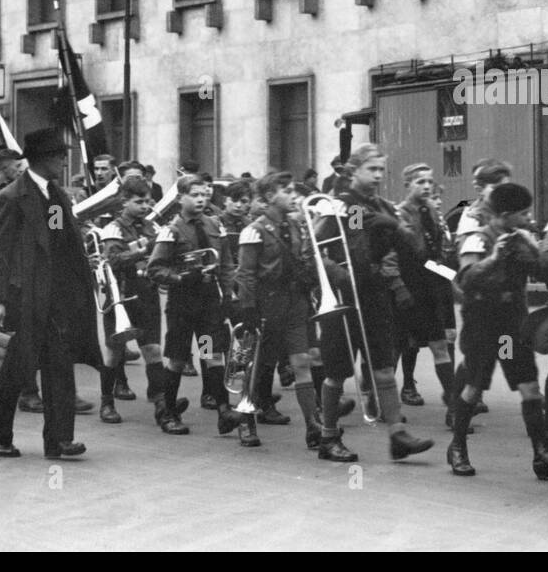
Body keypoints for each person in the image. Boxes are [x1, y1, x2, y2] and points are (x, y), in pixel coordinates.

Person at [0, 128, 100, 460]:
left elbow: (58, 239)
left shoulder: (56, 195)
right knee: (16, 371)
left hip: (56, 299)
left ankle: (60, 440)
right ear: (43, 159)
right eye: (59, 156)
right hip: (24, 298)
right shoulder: (11, 197)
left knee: (60, 369)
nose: (64, 161)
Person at [313, 144, 433, 462]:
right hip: (344, 297)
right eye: (372, 169)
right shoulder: (340, 206)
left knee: (382, 367)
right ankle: (327, 437)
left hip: (375, 293)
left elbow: (413, 253)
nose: (378, 175)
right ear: (354, 171)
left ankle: (397, 434)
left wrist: (395, 227)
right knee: (337, 371)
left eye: (381, 170)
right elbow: (316, 251)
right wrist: (340, 276)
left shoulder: (382, 206)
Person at [447, 182, 548, 480]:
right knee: (475, 384)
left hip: (511, 323)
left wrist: (538, 246)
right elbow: (466, 278)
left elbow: (543, 269)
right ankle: (457, 446)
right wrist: (494, 258)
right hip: (482, 320)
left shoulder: (520, 237)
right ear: (505, 214)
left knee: (527, 384)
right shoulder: (478, 239)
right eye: (523, 213)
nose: (527, 217)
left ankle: (540, 450)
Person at [147, 174, 242, 438]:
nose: (201, 199)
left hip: (208, 302)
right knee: (177, 358)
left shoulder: (215, 225)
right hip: (182, 303)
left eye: (204, 194)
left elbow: (226, 264)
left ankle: (224, 410)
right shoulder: (172, 230)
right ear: (180, 199)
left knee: (210, 354)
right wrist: (180, 277)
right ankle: (168, 412)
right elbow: (154, 268)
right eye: (195, 195)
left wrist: (228, 296)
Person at [235, 171, 323, 448]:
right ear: (270, 196)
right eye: (286, 190)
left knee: (301, 362)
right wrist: (247, 308)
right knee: (256, 365)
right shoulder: (253, 230)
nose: (293, 195)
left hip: (294, 303)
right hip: (265, 304)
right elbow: (246, 274)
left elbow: (303, 257)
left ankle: (313, 426)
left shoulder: (297, 225)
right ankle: (246, 421)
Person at [94, 176, 163, 423]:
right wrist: (141, 250)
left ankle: (160, 402)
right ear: (125, 201)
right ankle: (107, 403)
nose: (145, 206)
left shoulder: (152, 226)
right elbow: (114, 260)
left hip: (147, 294)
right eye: (139, 201)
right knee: (113, 353)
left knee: (153, 350)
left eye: (147, 201)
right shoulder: (113, 228)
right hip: (121, 296)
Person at [395, 163, 457, 410]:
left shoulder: (433, 211)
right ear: (407, 185)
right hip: (407, 287)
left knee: (440, 343)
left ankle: (453, 406)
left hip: (432, 286)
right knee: (402, 345)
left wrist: (449, 272)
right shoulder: (401, 214)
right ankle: (400, 388)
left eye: (430, 182)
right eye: (420, 182)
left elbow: (437, 252)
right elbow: (418, 251)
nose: (427, 186)